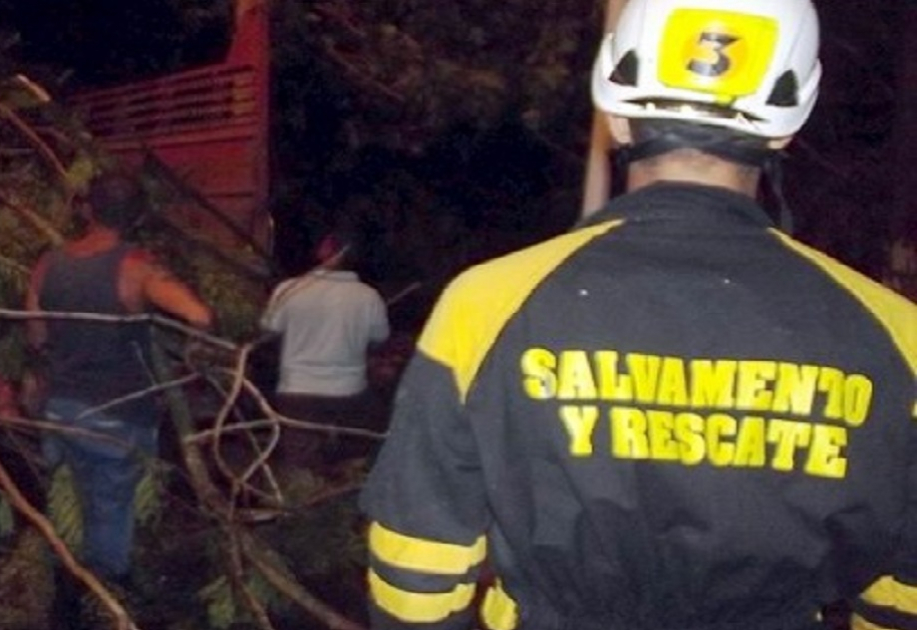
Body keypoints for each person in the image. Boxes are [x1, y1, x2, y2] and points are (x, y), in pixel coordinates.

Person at [359, 1, 917, 629]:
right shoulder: (895, 334)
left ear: (617, 116)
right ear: (786, 128)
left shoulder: (489, 303)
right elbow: (907, 584)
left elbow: (419, 558)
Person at [25, 173, 212, 585]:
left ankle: (64, 583)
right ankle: (105, 595)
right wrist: (192, 353)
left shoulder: (47, 264)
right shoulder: (136, 265)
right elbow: (199, 315)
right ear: (137, 216)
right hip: (119, 412)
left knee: (67, 501)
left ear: (88, 209)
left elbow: (37, 336)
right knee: (110, 509)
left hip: (62, 407)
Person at [261, 228, 390, 469]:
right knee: (354, 457)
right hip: (349, 391)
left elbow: (269, 331)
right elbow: (378, 339)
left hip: (298, 391)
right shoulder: (368, 297)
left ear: (326, 249)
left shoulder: (290, 290)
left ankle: (301, 499)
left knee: (300, 466)